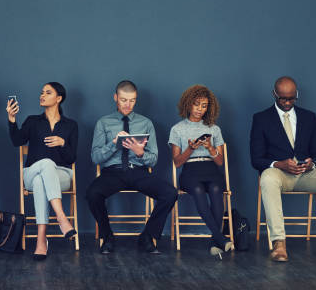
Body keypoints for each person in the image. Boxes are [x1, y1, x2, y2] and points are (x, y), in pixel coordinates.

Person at [251, 76, 316, 262]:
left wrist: (313, 164)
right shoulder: (261, 119)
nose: (287, 103)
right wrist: (279, 164)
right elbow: (256, 159)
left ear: (296, 95)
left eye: (291, 98)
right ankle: (279, 243)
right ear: (274, 94)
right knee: (267, 178)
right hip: (279, 174)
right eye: (282, 98)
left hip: (306, 174)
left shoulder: (309, 117)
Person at [86, 80, 178, 254]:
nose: (128, 105)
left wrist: (139, 152)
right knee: (92, 194)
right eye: (123, 100)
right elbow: (95, 158)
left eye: (132, 100)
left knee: (170, 193)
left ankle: (147, 236)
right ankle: (107, 236)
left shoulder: (146, 123)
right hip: (112, 173)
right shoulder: (103, 123)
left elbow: (153, 161)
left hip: (138, 172)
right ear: (115, 98)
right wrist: (114, 144)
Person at [7, 82, 78, 261]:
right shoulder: (32, 121)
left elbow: (71, 158)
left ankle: (41, 240)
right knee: (44, 165)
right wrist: (12, 119)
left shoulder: (71, 125)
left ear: (59, 98)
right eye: (41, 92)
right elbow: (17, 141)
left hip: (61, 174)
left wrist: (63, 143)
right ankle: (61, 218)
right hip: (31, 172)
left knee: (41, 181)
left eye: (48, 92)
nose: (42, 95)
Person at [169, 85, 232, 257]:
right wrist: (190, 149)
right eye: (197, 104)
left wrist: (210, 147)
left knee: (216, 189)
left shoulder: (214, 129)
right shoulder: (177, 129)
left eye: (204, 106)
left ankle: (215, 241)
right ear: (188, 104)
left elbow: (220, 161)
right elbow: (177, 163)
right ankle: (220, 237)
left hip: (210, 169)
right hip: (190, 170)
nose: (200, 109)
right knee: (197, 190)